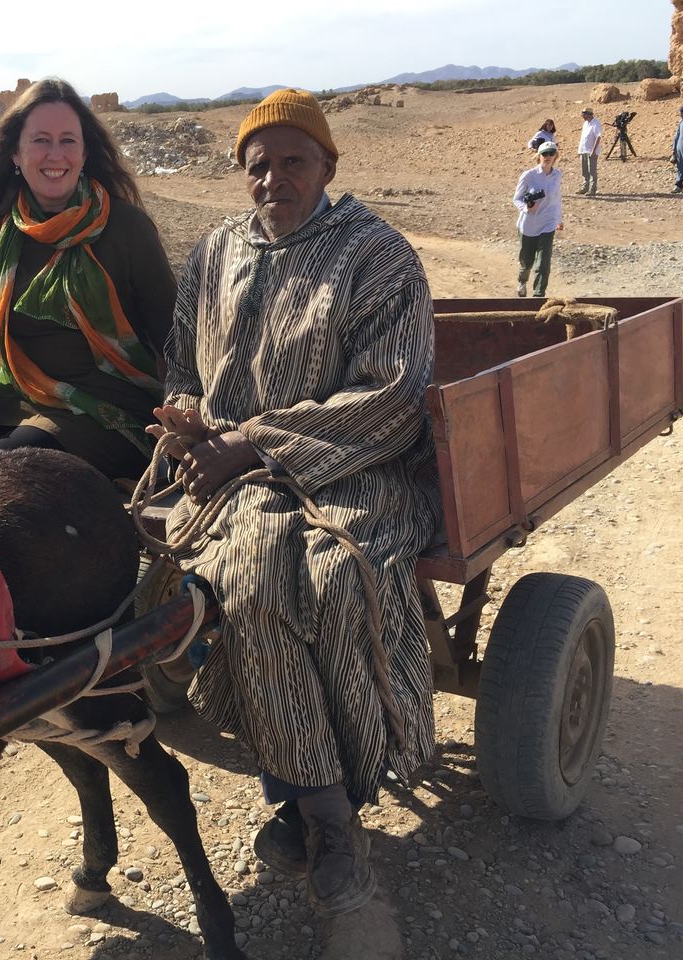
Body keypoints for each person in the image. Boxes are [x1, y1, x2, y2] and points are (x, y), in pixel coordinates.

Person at [149, 89, 439, 918]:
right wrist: (187, 416)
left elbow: (392, 397)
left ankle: (330, 796)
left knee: (333, 579)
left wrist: (256, 443)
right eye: (258, 165)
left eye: (293, 161)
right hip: (233, 472)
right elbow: (180, 364)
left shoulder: (378, 256)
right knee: (238, 589)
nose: (274, 178)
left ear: (328, 166)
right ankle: (321, 805)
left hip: (356, 467)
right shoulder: (214, 252)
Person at [0, 79, 174, 480]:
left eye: (68, 141)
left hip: (107, 414)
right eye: (41, 140)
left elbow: (171, 332)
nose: (55, 154)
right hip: (14, 402)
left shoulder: (126, 228)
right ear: (16, 152)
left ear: (85, 154)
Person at [513, 140, 565, 297]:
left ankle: (538, 295)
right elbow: (516, 199)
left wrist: (559, 219)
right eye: (544, 154)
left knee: (543, 263)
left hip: (548, 224)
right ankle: (522, 281)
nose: (548, 157)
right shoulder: (529, 176)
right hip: (529, 225)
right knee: (527, 262)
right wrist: (527, 208)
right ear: (539, 156)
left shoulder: (557, 175)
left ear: (555, 156)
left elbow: (556, 199)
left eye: (551, 153)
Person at [577, 107, 602, 196]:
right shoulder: (585, 124)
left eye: (584, 113)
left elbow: (598, 137)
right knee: (585, 171)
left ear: (589, 114)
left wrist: (594, 151)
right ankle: (585, 187)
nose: (582, 115)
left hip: (591, 151)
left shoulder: (595, 123)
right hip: (583, 150)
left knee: (592, 171)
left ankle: (592, 189)